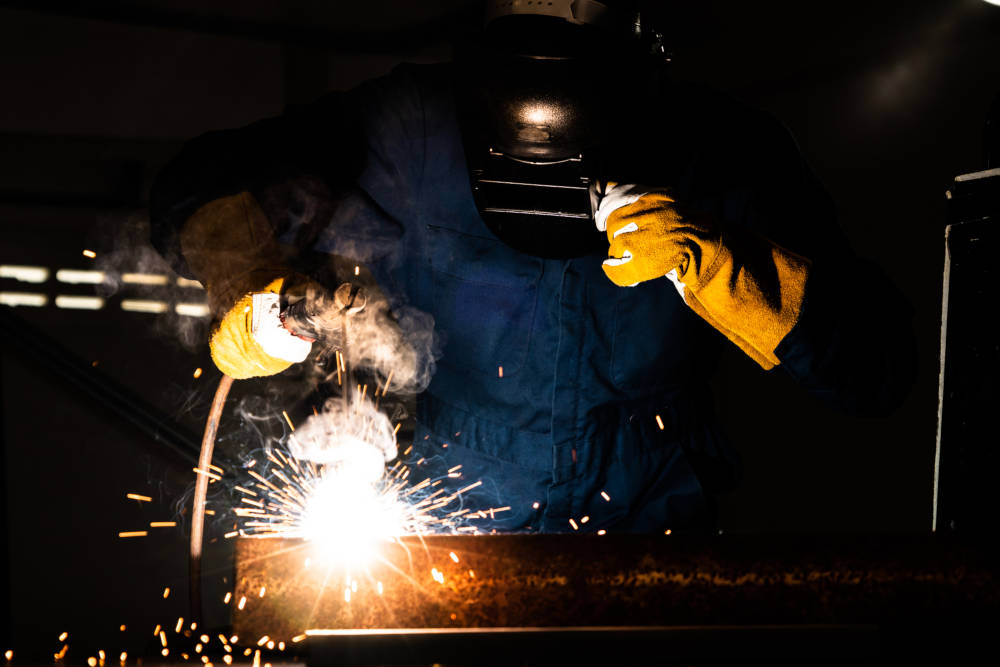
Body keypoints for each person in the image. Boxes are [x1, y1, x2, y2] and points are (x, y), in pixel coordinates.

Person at [150, 1, 916, 533]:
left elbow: (877, 369)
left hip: (653, 547)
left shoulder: (721, 150)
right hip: (452, 535)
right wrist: (253, 291)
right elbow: (197, 182)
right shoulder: (415, 126)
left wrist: (724, 267)